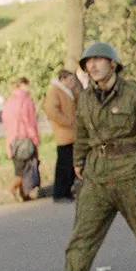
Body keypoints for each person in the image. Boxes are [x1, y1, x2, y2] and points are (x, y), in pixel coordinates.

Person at [31, 42, 136, 271]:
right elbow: (81, 134)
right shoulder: (85, 98)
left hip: (131, 171)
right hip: (96, 174)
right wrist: (79, 162)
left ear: (113, 64)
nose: (92, 66)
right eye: (87, 62)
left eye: (98, 60)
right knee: (83, 233)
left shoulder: (135, 95)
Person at [44, 69, 80, 202]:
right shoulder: (55, 91)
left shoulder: (69, 92)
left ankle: (67, 191)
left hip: (71, 132)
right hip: (64, 132)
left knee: (71, 164)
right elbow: (52, 111)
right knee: (64, 165)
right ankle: (59, 193)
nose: (73, 83)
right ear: (62, 79)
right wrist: (67, 121)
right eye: (70, 80)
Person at [4, 77, 41, 202]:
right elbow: (29, 122)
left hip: (12, 139)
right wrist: (35, 138)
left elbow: (5, 120)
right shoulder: (26, 101)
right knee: (24, 169)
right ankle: (12, 189)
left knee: (18, 167)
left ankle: (24, 194)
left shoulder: (10, 101)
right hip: (25, 138)